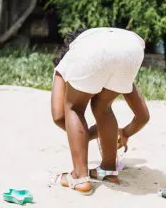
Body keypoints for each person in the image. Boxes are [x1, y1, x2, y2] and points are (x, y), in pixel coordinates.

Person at [50, 28, 151, 195]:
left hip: (99, 50)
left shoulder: (69, 61)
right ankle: (108, 171)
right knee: (102, 107)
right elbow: (143, 116)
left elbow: (59, 116)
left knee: (74, 108)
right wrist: (124, 132)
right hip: (132, 47)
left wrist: (84, 137)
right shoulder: (107, 49)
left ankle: (79, 177)